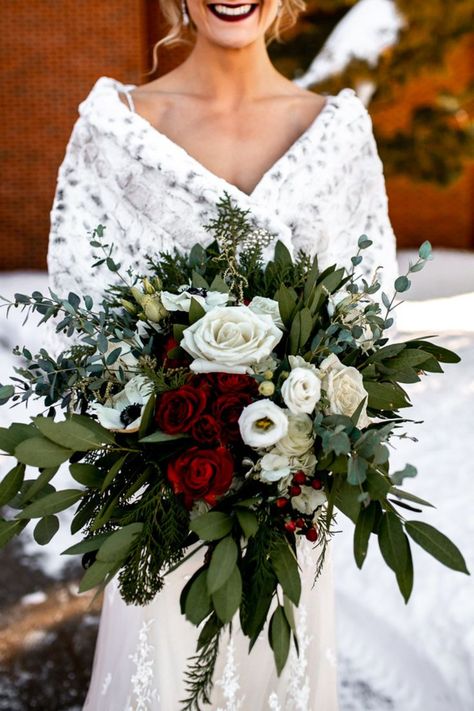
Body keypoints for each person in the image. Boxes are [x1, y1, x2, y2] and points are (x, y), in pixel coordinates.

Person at [48, 1, 398, 708]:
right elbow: (81, 315)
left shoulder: (336, 136)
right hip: (162, 506)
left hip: (293, 506)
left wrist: (309, 438)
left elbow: (368, 316)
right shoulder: (116, 132)